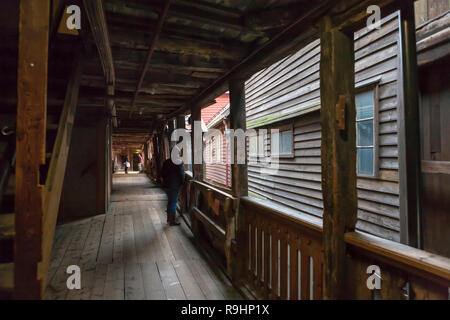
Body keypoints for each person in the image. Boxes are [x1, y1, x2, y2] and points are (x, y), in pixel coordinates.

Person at [161, 148, 185, 226]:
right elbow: (181, 175)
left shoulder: (166, 162)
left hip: (166, 185)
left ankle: (168, 218)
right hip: (174, 186)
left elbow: (162, 173)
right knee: (173, 203)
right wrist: (182, 183)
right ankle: (172, 221)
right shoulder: (179, 162)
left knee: (170, 201)